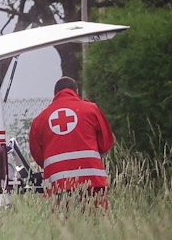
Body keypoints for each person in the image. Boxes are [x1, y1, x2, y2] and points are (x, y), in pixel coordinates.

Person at [28, 76, 115, 211]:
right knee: (97, 222)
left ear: (55, 94)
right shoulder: (91, 109)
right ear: (76, 91)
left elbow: (39, 156)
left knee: (66, 225)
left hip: (58, 182)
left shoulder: (39, 120)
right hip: (92, 179)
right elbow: (106, 142)